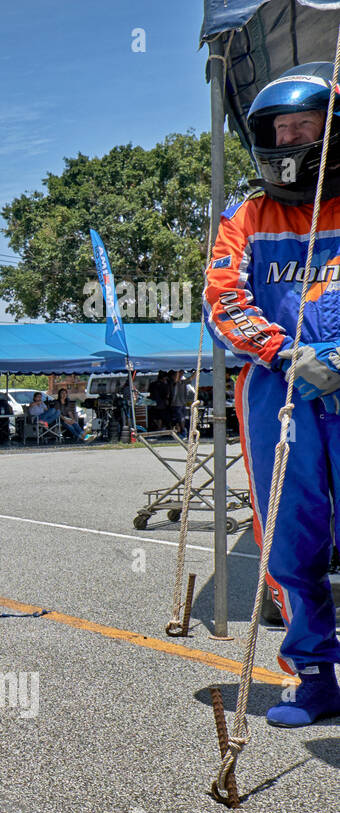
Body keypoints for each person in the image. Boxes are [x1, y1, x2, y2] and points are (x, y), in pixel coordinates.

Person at [205, 61, 340, 726]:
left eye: (302, 128)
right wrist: (286, 353)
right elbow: (224, 300)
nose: (289, 142)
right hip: (279, 397)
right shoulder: (247, 216)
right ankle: (315, 678)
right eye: (278, 130)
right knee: (290, 537)